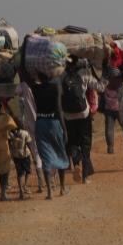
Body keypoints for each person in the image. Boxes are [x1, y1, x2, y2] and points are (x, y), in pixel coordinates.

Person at [62, 56, 105, 184]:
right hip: (83, 113)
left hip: (68, 115)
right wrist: (105, 74)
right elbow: (100, 88)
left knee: (73, 142)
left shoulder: (61, 76)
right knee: (85, 143)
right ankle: (86, 176)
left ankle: (76, 164)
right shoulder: (84, 74)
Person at [31, 70, 70, 200]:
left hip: (40, 123)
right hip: (54, 123)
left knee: (45, 157)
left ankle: (49, 192)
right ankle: (63, 188)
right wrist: (64, 129)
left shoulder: (35, 88)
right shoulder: (56, 87)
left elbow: (25, 75)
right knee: (60, 152)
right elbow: (59, 109)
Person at [16, 71, 45, 193]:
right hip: (43, 122)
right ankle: (49, 182)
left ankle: (41, 183)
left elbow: (15, 92)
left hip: (30, 124)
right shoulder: (41, 84)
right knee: (45, 150)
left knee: (36, 152)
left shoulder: (23, 86)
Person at [8, 127, 33, 200]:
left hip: (16, 155)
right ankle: (25, 186)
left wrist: (11, 154)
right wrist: (33, 155)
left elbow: (9, 146)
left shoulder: (10, 134)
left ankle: (21, 191)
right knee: (27, 171)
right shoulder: (24, 133)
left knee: (20, 173)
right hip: (25, 155)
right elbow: (29, 144)